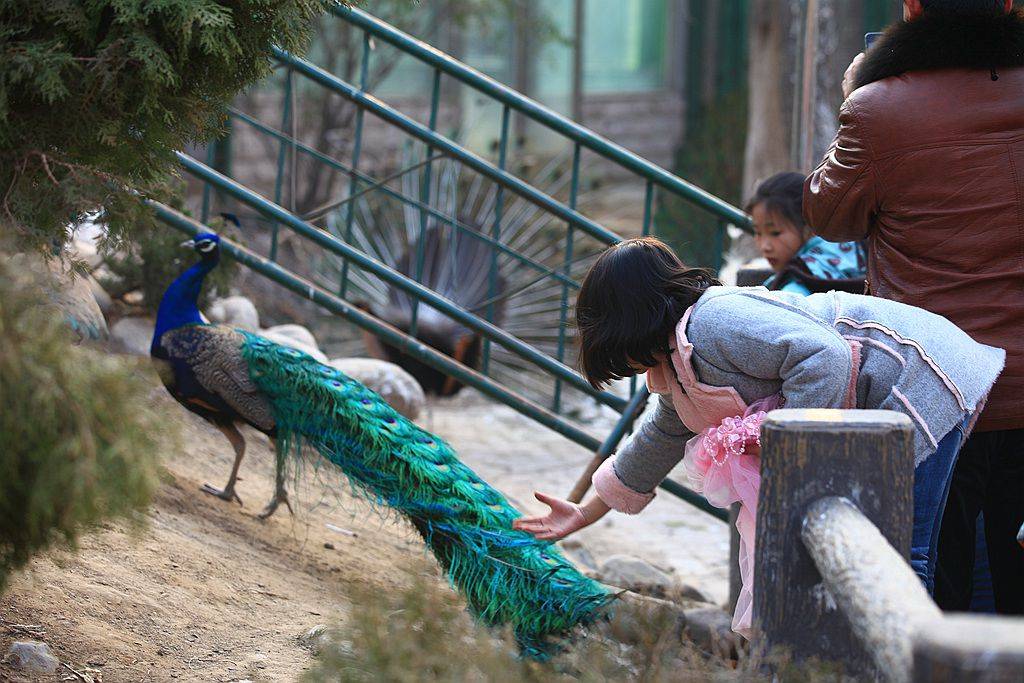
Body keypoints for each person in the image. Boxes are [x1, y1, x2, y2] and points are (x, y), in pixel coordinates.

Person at [512, 238, 1004, 638]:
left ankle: (910, 662)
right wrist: (585, 512)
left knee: (906, 550)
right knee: (940, 546)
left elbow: (825, 358)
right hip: (894, 401)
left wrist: (785, 445)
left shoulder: (713, 322)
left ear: (629, 322)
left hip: (919, 379)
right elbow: (655, 441)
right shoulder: (678, 363)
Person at [803, 0, 1024, 614]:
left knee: (933, 584)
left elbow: (828, 216)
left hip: (941, 392)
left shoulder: (879, 110)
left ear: (912, 9)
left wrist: (858, 90)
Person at [747, 172, 865, 295]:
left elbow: (792, 297)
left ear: (808, 226)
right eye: (758, 233)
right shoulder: (851, 248)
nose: (765, 247)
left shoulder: (811, 272)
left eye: (775, 233)